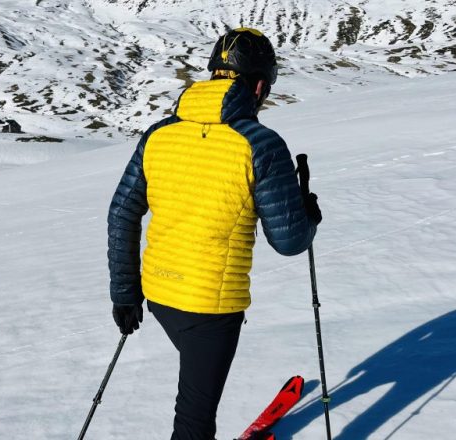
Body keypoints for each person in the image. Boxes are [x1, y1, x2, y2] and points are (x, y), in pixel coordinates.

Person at [107, 28, 322, 440]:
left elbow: (122, 212)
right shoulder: (259, 143)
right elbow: (290, 242)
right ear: (259, 85)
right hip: (211, 308)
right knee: (193, 421)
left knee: (196, 401)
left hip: (159, 298)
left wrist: (124, 292)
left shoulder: (158, 134)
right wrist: (307, 214)